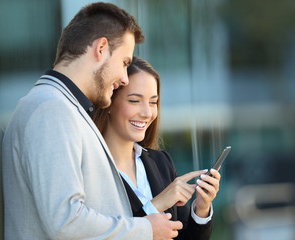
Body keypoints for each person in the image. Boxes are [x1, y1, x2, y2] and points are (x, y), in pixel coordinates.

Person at [2, 2, 182, 240]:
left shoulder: (64, 108)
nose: (125, 79)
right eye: (125, 63)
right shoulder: (51, 109)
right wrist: (146, 230)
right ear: (101, 48)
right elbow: (66, 221)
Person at [93, 56, 221, 240]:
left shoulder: (161, 162)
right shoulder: (92, 171)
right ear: (109, 103)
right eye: (135, 101)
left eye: (153, 102)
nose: (147, 113)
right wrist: (157, 204)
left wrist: (201, 208)